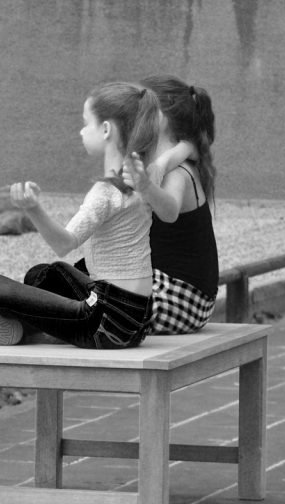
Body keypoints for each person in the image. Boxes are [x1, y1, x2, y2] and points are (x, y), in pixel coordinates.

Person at [0, 81, 162, 349]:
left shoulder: (105, 193)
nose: (81, 131)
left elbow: (64, 243)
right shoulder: (146, 177)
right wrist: (188, 148)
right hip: (138, 320)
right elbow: (170, 208)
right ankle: (16, 327)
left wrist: (32, 208)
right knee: (45, 275)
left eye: (86, 123)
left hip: (103, 326)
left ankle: (15, 327)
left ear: (105, 130)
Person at [122, 74, 219, 334]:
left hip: (180, 296)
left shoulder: (178, 173)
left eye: (139, 106)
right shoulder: (171, 159)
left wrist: (147, 184)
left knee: (98, 302)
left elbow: (170, 211)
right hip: (167, 286)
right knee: (70, 278)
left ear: (160, 118)